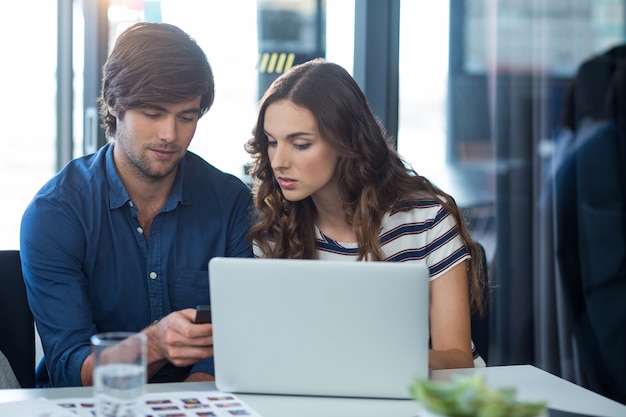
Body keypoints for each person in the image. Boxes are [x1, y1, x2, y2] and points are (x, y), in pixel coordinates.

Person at [20, 22, 253, 387]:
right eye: (153, 113)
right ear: (114, 104)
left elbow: (241, 336)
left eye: (186, 117)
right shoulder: (56, 213)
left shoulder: (231, 202)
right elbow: (70, 367)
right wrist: (155, 343)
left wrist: (192, 401)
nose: (170, 135)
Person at [245, 58, 485, 369]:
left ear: (345, 142)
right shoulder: (276, 229)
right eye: (271, 142)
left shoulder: (425, 220)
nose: (278, 161)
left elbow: (457, 359)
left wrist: (367, 360)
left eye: (300, 144)